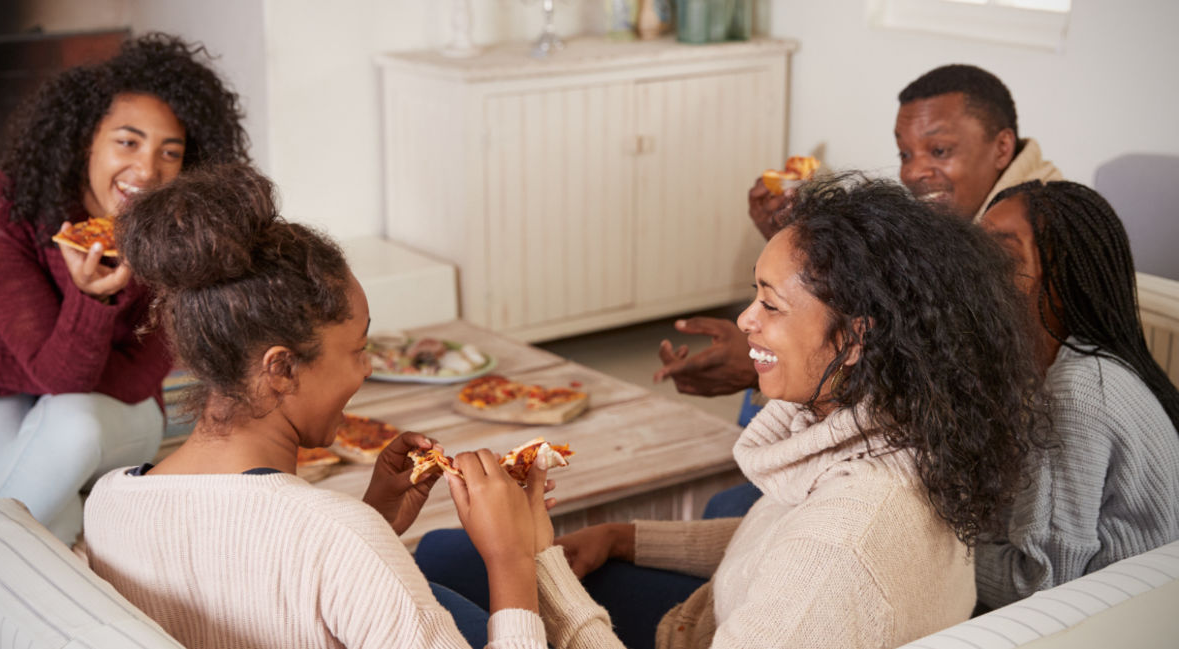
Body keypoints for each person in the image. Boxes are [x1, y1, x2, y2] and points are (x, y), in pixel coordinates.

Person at [420, 175, 1047, 649]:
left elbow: (812, 559)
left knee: (437, 596)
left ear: (856, 337)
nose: (746, 320)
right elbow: (777, 545)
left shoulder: (840, 550)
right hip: (708, 617)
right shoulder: (896, 424)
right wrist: (622, 537)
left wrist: (531, 563)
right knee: (447, 552)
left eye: (770, 304)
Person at [82, 163, 551, 649]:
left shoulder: (108, 502)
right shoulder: (338, 539)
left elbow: (252, 579)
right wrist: (512, 557)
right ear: (282, 369)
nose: (366, 368)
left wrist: (374, 523)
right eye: (358, 348)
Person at [0, 34, 250, 544]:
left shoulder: (188, 234)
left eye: (170, 152)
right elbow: (55, 370)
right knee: (53, 523)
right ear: (86, 138)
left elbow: (133, 375)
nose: (147, 171)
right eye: (128, 142)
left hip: (91, 404)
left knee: (72, 422)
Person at [657, 64, 1063, 431]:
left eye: (939, 151)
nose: (913, 172)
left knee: (766, 411)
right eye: (905, 153)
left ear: (1002, 147)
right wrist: (787, 247)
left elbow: (960, 377)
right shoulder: (960, 221)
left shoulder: (1023, 233)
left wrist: (767, 365)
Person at [975, 180, 1179, 608]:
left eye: (999, 256)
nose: (974, 272)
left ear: (1061, 278)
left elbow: (1037, 585)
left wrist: (941, 554)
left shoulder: (1077, 393)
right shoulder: (1069, 370)